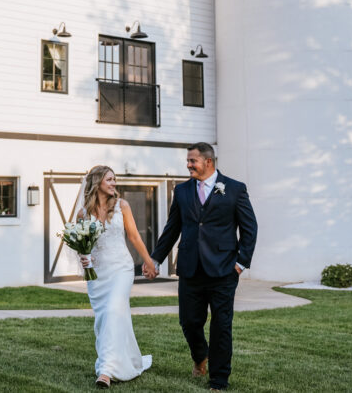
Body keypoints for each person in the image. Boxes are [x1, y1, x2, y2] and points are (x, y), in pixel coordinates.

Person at [147, 142, 257, 391]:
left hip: (224, 271)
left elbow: (250, 228)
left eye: (192, 161)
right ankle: (200, 356)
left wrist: (241, 264)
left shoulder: (235, 189)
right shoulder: (182, 191)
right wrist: (155, 259)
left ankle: (219, 379)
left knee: (221, 325)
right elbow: (172, 228)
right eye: (188, 161)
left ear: (208, 162)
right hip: (189, 269)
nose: (188, 165)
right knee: (189, 321)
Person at [75, 165, 156, 388]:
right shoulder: (83, 213)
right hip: (97, 274)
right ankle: (129, 359)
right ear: (97, 182)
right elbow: (82, 244)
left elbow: (134, 237)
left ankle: (106, 371)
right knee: (107, 318)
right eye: (109, 180)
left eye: (114, 180)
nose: (113, 184)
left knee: (112, 310)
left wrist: (149, 262)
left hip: (121, 268)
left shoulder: (123, 205)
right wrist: (84, 258)